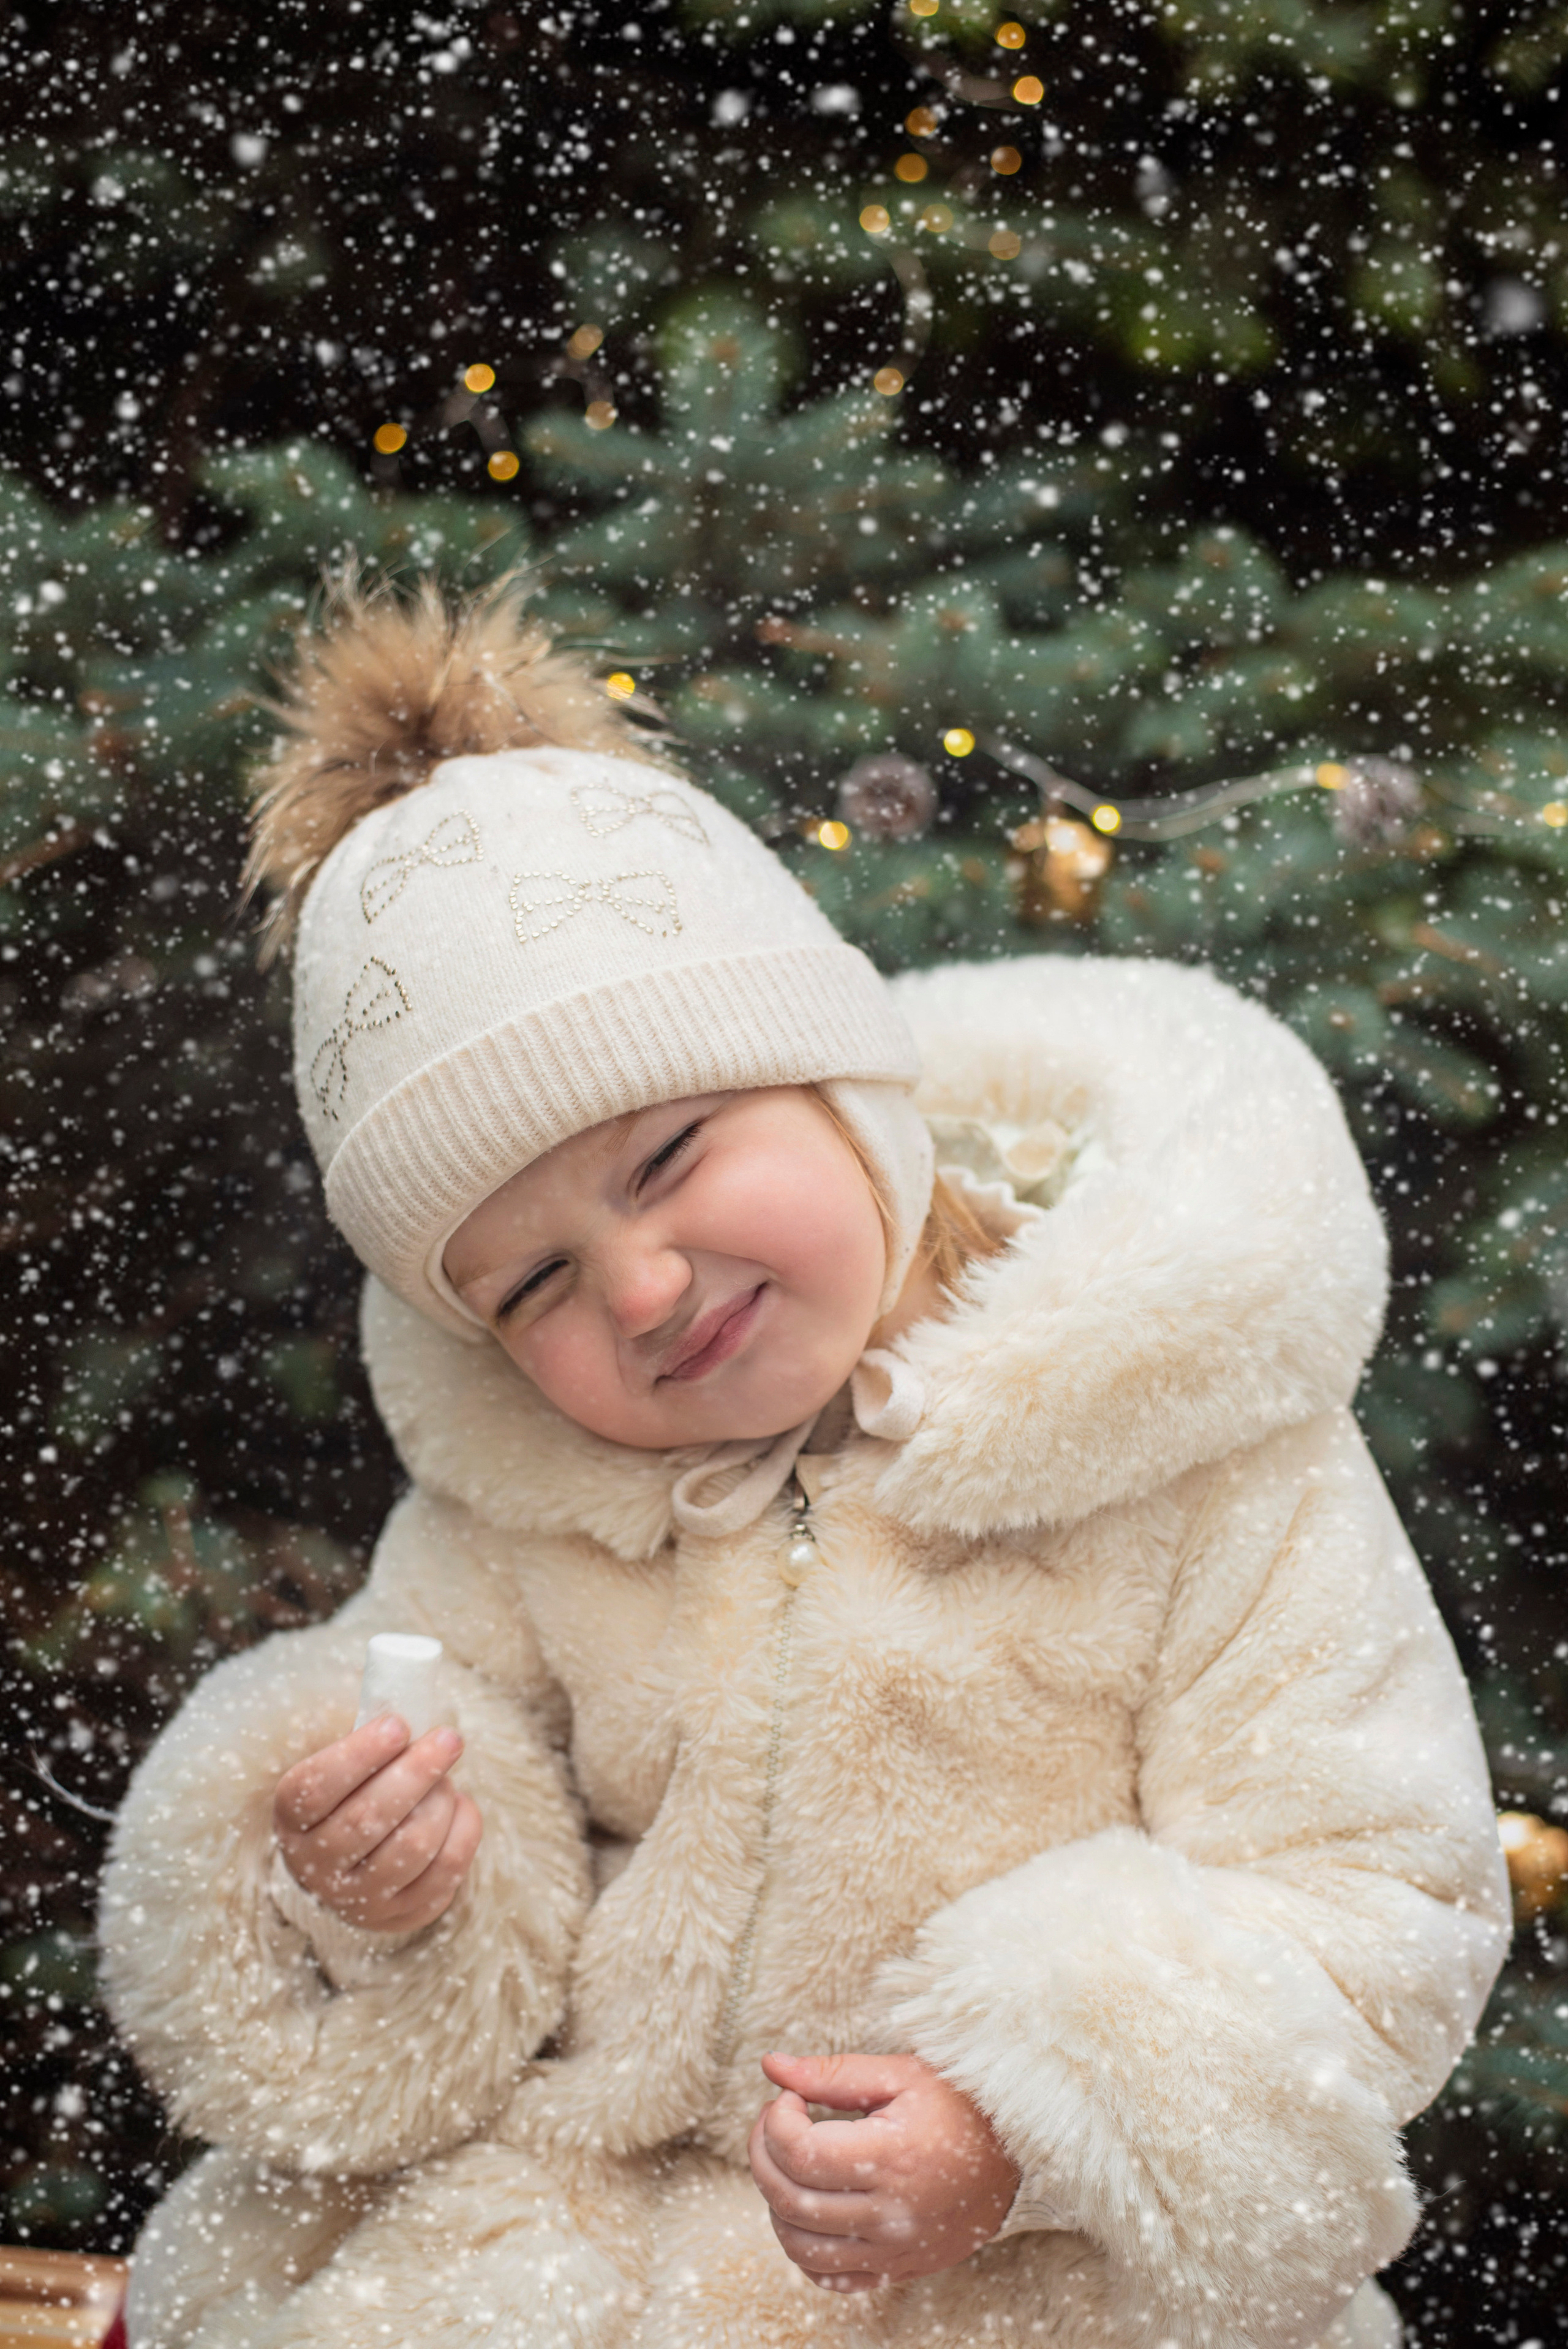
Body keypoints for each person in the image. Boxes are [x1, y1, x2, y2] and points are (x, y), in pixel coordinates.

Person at [100, 580, 1509, 2349]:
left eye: (668, 1157)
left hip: (1018, 2286)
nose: (639, 1289)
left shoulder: (1198, 1450)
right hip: (584, 2238)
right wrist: (394, 1888)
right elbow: (461, 1883)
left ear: (842, 1084)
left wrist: (1029, 2123)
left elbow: (1372, 1892)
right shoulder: (521, 1510)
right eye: (532, 1285)